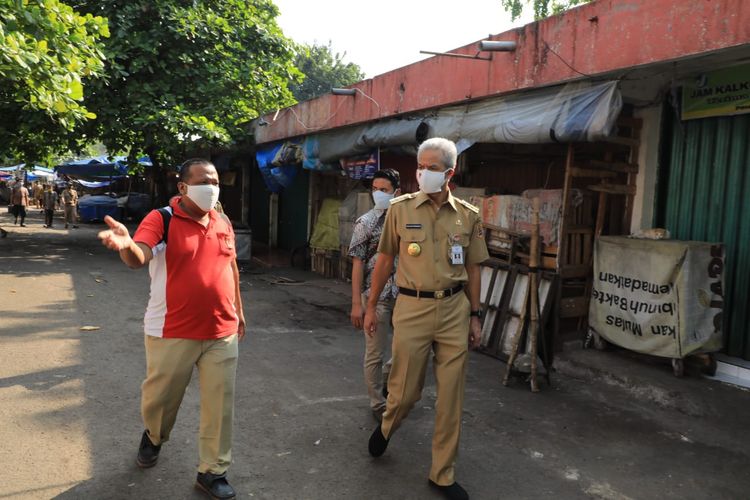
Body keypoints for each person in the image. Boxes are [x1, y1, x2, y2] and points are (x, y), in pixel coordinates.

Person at [98, 158, 245, 500]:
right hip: (171, 330)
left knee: (220, 405)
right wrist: (126, 246)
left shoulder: (222, 220)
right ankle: (153, 435)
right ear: (183, 187)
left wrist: (240, 311)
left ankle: (213, 471)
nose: (212, 187)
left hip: (221, 331)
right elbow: (141, 256)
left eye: (216, 180)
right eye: (205, 180)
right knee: (161, 400)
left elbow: (232, 266)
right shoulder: (161, 219)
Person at [364, 138, 489, 500]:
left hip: (454, 310)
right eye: (420, 166)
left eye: (432, 167)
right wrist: (371, 305)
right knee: (405, 393)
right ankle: (388, 425)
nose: (423, 173)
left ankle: (442, 474)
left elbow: (474, 268)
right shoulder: (400, 210)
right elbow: (385, 260)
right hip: (412, 308)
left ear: (450, 173)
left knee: (452, 397)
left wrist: (476, 315)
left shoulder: (468, 215)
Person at [348, 169, 401, 422]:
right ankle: (378, 404)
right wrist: (357, 303)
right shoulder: (365, 222)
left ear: (396, 192)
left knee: (408, 350)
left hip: (404, 295)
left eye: (385, 189)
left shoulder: (405, 220)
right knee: (375, 353)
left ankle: (390, 380)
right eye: (375, 189)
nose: (379, 194)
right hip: (375, 297)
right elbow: (357, 263)